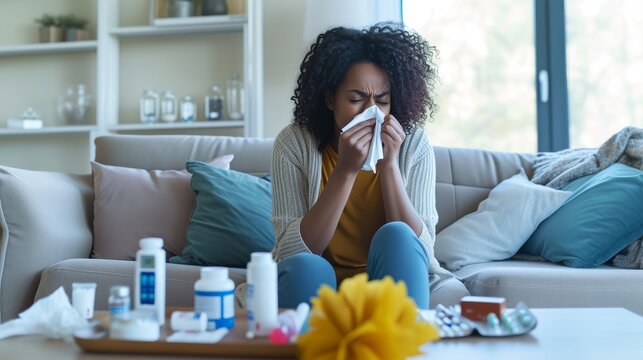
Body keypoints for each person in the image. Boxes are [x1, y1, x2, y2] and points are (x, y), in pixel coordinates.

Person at [272, 23, 468, 309]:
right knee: (306, 266)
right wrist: (345, 170)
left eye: (382, 101)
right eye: (356, 99)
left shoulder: (413, 145)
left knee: (399, 235)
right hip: (319, 286)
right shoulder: (293, 144)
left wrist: (389, 165)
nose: (370, 112)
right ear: (330, 99)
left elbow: (421, 251)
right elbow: (291, 253)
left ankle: (397, 343)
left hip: (390, 283)